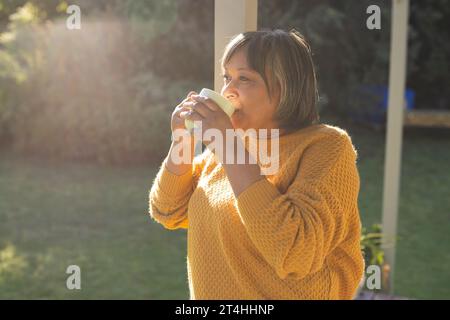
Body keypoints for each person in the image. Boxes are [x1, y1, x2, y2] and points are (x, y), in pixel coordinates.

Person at [149, 29, 364, 299]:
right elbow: (168, 210)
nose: (227, 91)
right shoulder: (231, 148)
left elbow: (295, 252)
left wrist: (228, 146)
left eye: (244, 79)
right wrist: (182, 140)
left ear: (286, 88)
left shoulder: (326, 148)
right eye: (227, 78)